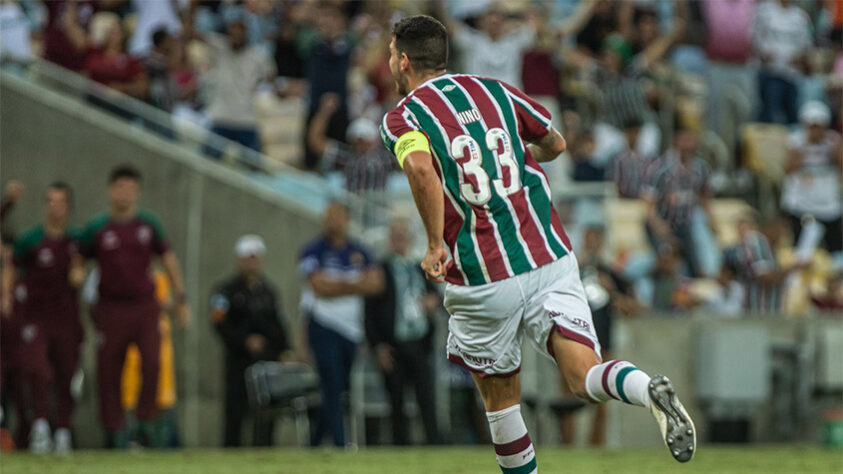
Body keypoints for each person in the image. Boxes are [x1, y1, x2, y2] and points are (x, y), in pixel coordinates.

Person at [380, 16, 697, 471]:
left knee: (502, 401)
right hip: (548, 256)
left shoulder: (404, 116)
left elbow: (421, 169)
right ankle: (646, 388)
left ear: (404, 60)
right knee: (583, 375)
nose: (391, 61)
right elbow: (554, 142)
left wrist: (433, 244)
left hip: (483, 274)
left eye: (392, 54)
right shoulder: (494, 89)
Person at [78, 165, 189, 449]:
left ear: (137, 191)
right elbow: (79, 257)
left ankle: (144, 423)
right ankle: (114, 432)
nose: (125, 194)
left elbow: (169, 258)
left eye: (131, 188)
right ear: (111, 190)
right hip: (111, 308)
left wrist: (180, 298)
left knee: (152, 361)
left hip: (144, 306)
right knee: (108, 371)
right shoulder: (98, 227)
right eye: (120, 188)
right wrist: (76, 273)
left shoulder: (148, 224)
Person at [0, 183, 84, 454]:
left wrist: (79, 274)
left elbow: (82, 266)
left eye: (60, 201)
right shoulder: (31, 239)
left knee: (66, 375)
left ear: (68, 206)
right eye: (49, 201)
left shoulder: (76, 240)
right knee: (38, 370)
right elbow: (11, 268)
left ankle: (62, 430)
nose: (54, 206)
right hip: (36, 319)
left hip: (67, 319)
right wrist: (6, 296)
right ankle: (40, 427)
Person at [298, 202, 383, 447]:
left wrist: (337, 283)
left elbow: (376, 285)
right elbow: (318, 287)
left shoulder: (360, 250)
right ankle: (341, 443)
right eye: (327, 215)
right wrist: (356, 283)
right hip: (323, 324)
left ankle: (314, 443)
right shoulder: (313, 250)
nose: (330, 220)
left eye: (335, 215)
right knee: (331, 382)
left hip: (351, 329)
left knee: (340, 386)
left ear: (346, 218)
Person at [364, 219, 442, 446]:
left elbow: (436, 296)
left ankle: (434, 443)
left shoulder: (419, 268)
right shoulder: (382, 271)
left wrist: (432, 301)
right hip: (394, 344)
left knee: (426, 397)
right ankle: (401, 445)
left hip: (419, 341)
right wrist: (378, 346)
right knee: (396, 400)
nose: (400, 241)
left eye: (403, 236)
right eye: (395, 237)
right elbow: (370, 313)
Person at [210, 234, 291, 448]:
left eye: (255, 258)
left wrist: (285, 349)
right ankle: (231, 455)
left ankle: (263, 454)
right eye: (248, 258)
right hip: (238, 361)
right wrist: (244, 340)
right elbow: (219, 324)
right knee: (235, 412)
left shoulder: (269, 292)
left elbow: (279, 323)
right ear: (239, 260)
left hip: (265, 360)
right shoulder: (225, 291)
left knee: (266, 411)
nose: (252, 262)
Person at [781, 101, 842, 253]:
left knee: (835, 248)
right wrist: (803, 150)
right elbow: (787, 170)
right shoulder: (796, 141)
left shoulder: (833, 141)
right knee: (802, 248)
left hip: (828, 204)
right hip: (802, 204)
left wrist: (834, 153)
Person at [753, 0, 812, 125]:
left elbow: (806, 45)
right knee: (769, 112)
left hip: (791, 74)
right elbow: (753, 36)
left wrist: (799, 57)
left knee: (792, 115)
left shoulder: (800, 17)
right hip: (770, 73)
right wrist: (763, 54)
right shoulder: (764, 10)